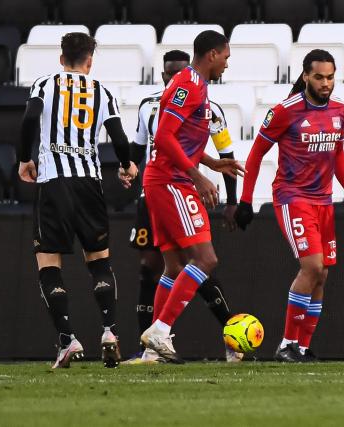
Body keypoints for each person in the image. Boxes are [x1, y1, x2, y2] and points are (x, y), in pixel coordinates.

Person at [234, 49, 344, 362]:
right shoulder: (285, 111)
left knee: (323, 275)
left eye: (331, 77)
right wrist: (246, 200)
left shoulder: (339, 111)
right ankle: (285, 344)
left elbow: (338, 155)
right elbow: (255, 155)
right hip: (292, 198)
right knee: (312, 267)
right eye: (319, 77)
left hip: (324, 200)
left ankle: (302, 347)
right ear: (306, 76)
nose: (326, 83)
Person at [18, 32, 139, 369]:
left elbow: (30, 118)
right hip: (89, 183)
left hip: (53, 183)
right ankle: (110, 332)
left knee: (49, 264)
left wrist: (23, 158)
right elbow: (118, 136)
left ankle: (67, 339)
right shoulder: (102, 91)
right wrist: (127, 165)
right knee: (99, 261)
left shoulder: (45, 84)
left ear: (61, 58)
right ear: (90, 60)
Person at [127, 49, 242, 364]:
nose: (227, 63)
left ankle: (153, 349)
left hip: (165, 180)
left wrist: (213, 163)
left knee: (174, 266)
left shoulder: (199, 87)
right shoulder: (188, 84)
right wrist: (198, 177)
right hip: (172, 182)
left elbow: (181, 140)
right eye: (226, 57)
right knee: (206, 259)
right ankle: (160, 330)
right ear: (212, 54)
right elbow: (163, 137)